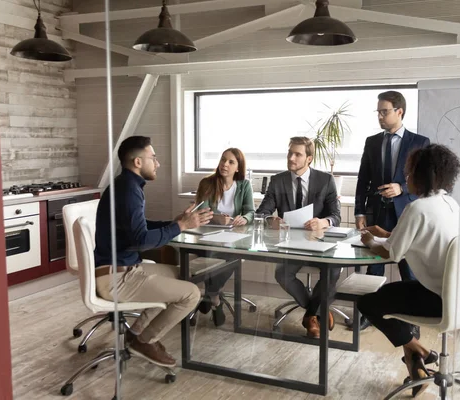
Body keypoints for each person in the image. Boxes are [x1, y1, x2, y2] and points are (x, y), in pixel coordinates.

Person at [94, 136, 213, 368]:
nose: (157, 163)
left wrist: (175, 222)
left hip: (123, 267)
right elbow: (142, 240)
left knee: (186, 277)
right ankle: (145, 341)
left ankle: (136, 334)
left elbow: (139, 228)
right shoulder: (128, 190)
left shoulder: (127, 186)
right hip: (117, 277)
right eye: (153, 158)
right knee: (190, 294)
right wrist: (181, 226)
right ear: (138, 162)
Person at [357, 144, 460, 398]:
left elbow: (391, 253)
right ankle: (417, 366)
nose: (405, 179)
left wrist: (370, 241)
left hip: (436, 298)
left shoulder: (416, 208)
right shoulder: (449, 204)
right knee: (391, 297)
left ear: (423, 175)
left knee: (369, 302)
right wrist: (388, 235)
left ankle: (422, 352)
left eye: (409, 173)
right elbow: (418, 238)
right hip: (457, 293)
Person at [353, 90, 430, 331]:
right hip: (377, 213)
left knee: (408, 268)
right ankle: (369, 314)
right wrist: (359, 212)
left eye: (384, 112)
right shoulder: (372, 142)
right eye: (378, 112)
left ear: (400, 112)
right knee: (372, 267)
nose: (380, 116)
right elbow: (363, 179)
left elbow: (425, 180)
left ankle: (414, 320)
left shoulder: (420, 142)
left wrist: (402, 188)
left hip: (406, 214)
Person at [256, 136, 341, 338]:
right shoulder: (278, 181)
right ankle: (318, 311)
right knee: (282, 274)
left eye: (297, 154)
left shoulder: (325, 180)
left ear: (309, 159)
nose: (291, 158)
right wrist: (271, 220)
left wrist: (323, 222)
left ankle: (311, 315)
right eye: (290, 153)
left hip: (319, 241)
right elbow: (262, 212)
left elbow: (335, 215)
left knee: (333, 270)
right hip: (291, 243)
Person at [194, 148, 255, 326]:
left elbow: (250, 211)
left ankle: (211, 295)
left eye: (230, 162)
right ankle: (214, 299)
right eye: (223, 160)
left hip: (234, 238)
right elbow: (202, 211)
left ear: (238, 167)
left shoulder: (244, 185)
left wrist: (244, 218)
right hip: (209, 235)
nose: (224, 165)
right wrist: (217, 218)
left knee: (231, 256)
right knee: (211, 255)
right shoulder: (207, 183)